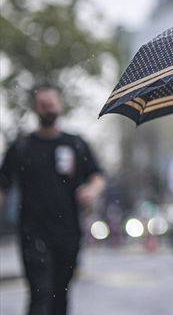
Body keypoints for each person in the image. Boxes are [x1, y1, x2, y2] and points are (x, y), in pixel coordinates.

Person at [0, 84, 106, 315]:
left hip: (68, 232)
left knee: (61, 292)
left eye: (51, 104)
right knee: (40, 291)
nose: (48, 109)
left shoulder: (75, 144)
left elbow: (97, 176)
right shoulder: (22, 147)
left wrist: (91, 190)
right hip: (32, 232)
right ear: (35, 108)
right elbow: (3, 184)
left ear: (60, 105)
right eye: (43, 105)